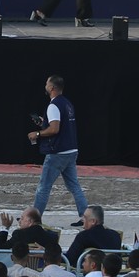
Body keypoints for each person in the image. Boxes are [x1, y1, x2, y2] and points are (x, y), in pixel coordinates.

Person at [27, 75, 88, 225]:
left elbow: (54, 129)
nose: (45, 86)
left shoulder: (53, 105)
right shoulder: (67, 103)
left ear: (52, 87)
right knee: (74, 186)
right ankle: (86, 218)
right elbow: (61, 125)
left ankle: (33, 219)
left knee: (43, 187)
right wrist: (43, 123)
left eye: (47, 83)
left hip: (58, 153)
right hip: (71, 150)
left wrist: (38, 134)